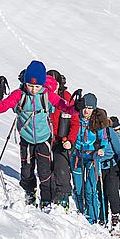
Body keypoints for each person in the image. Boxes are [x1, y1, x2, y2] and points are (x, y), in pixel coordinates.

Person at [0, 60, 73, 206]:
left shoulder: (47, 95)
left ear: (42, 84)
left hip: (44, 139)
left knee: (45, 171)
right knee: (27, 170)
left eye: (37, 86)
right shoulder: (19, 95)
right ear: (25, 82)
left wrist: (76, 107)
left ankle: (46, 199)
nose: (34, 89)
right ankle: (29, 193)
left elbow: (65, 108)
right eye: (30, 85)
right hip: (26, 138)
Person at [94, 109, 120, 231]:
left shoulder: (110, 132)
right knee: (101, 193)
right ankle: (102, 218)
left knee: (112, 192)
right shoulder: (91, 132)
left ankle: (116, 217)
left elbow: (119, 150)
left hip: (111, 167)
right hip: (98, 166)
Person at [70, 92, 103, 224]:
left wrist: (101, 149)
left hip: (92, 157)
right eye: (84, 107)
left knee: (90, 190)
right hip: (77, 156)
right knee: (78, 188)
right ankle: (81, 214)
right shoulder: (76, 118)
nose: (86, 111)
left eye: (89, 108)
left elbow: (103, 140)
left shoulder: (98, 122)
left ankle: (94, 218)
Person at [47, 70, 76, 210]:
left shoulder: (66, 97)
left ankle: (62, 200)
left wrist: (70, 140)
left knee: (61, 170)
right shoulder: (42, 96)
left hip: (61, 140)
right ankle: (48, 198)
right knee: (46, 171)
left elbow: (75, 122)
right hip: (45, 139)